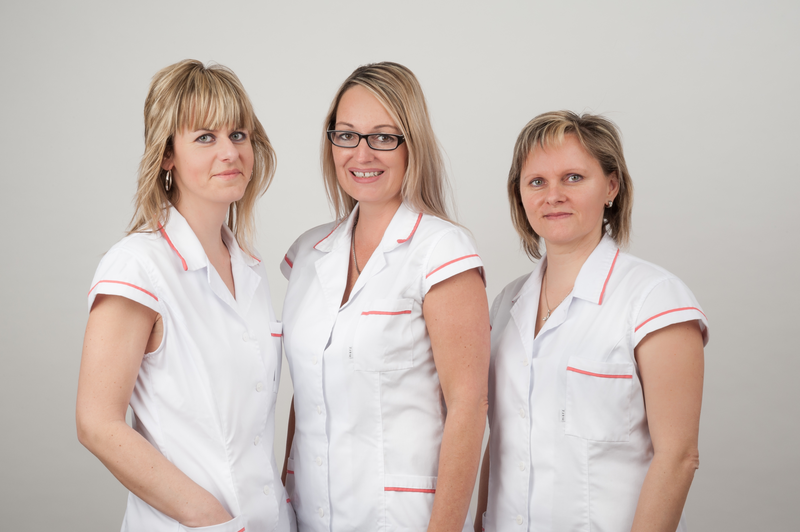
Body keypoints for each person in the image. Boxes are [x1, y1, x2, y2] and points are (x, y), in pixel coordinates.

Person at [76, 59, 296, 532]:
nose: (230, 152)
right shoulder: (138, 266)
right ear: (167, 156)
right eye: (205, 137)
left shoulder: (250, 269)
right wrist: (213, 520)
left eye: (238, 135)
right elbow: (97, 423)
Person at [280, 62, 490, 531]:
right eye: (346, 135)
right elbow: (307, 392)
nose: (362, 153)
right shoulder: (309, 253)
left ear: (412, 143)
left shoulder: (442, 251)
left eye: (382, 136)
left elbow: (469, 405)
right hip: (306, 514)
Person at [475, 111, 708, 532]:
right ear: (520, 195)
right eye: (537, 182)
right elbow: (504, 439)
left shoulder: (655, 299)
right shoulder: (506, 303)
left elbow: (678, 457)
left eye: (573, 178)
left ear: (611, 187)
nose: (553, 195)